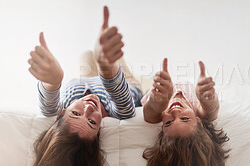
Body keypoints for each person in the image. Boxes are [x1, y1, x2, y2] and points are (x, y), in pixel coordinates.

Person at [29, 6, 141, 166]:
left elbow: (48, 107)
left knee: (87, 55)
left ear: (61, 114)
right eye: (92, 122)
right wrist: (105, 65)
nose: (88, 109)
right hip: (127, 84)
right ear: (100, 131)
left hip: (84, 81)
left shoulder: (58, 111)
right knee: (108, 57)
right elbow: (120, 96)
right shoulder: (119, 112)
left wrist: (52, 82)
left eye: (75, 113)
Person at [141, 58, 230, 166]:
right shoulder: (198, 111)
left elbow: (150, 113)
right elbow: (211, 111)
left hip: (149, 89)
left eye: (168, 122)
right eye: (184, 119)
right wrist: (208, 99)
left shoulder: (159, 112)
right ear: (199, 122)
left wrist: (159, 101)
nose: (175, 112)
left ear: (162, 128)